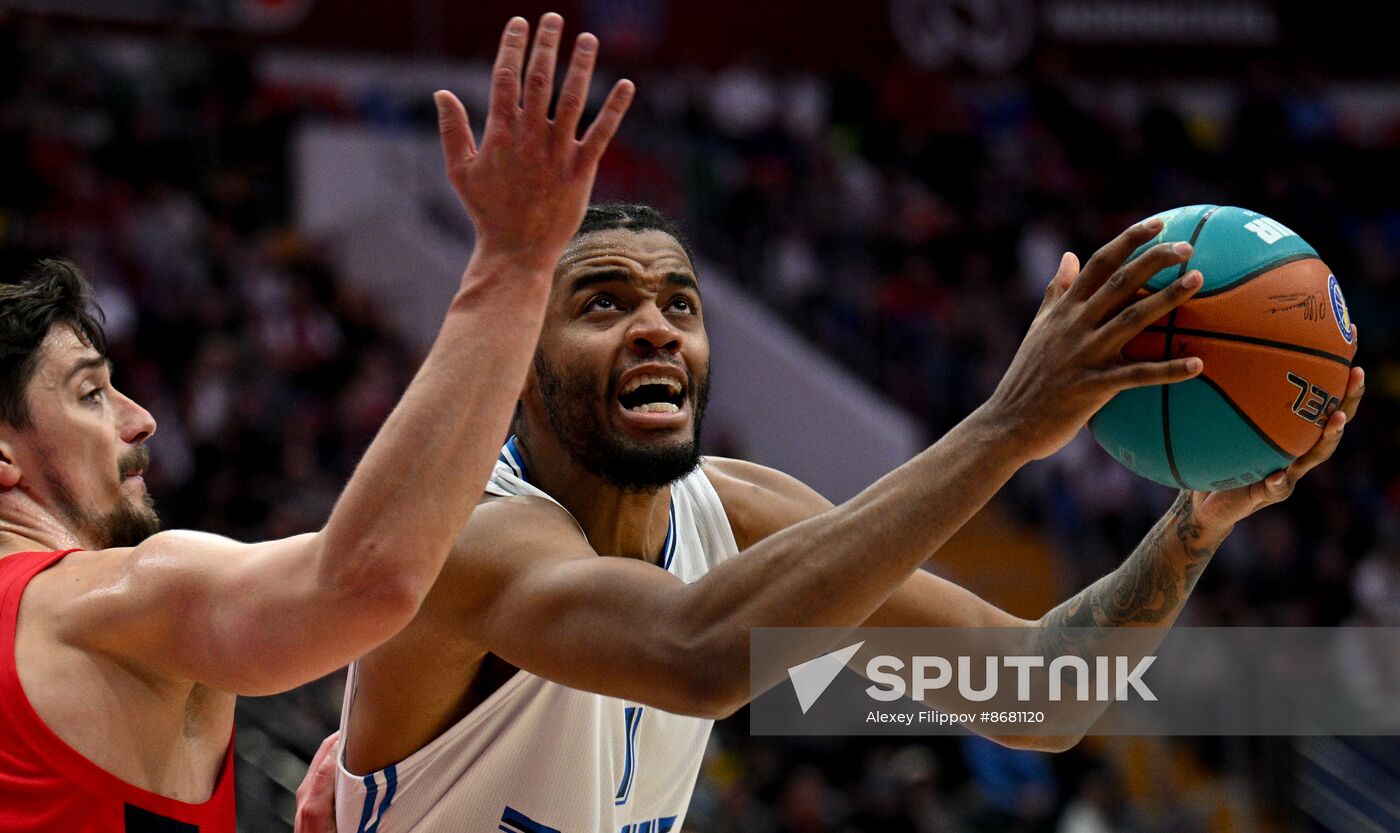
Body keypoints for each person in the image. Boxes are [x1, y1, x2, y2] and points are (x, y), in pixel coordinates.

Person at [313, 204, 1362, 832]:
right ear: (518, 364)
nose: (655, 329)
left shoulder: (742, 509)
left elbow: (1039, 696)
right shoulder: (467, 535)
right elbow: (697, 653)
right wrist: (1005, 424)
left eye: (679, 304)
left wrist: (1190, 526)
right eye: (602, 303)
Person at [0, 13, 632, 830]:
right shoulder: (97, 608)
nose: (142, 420)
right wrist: (514, 263)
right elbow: (367, 578)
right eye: (90, 393)